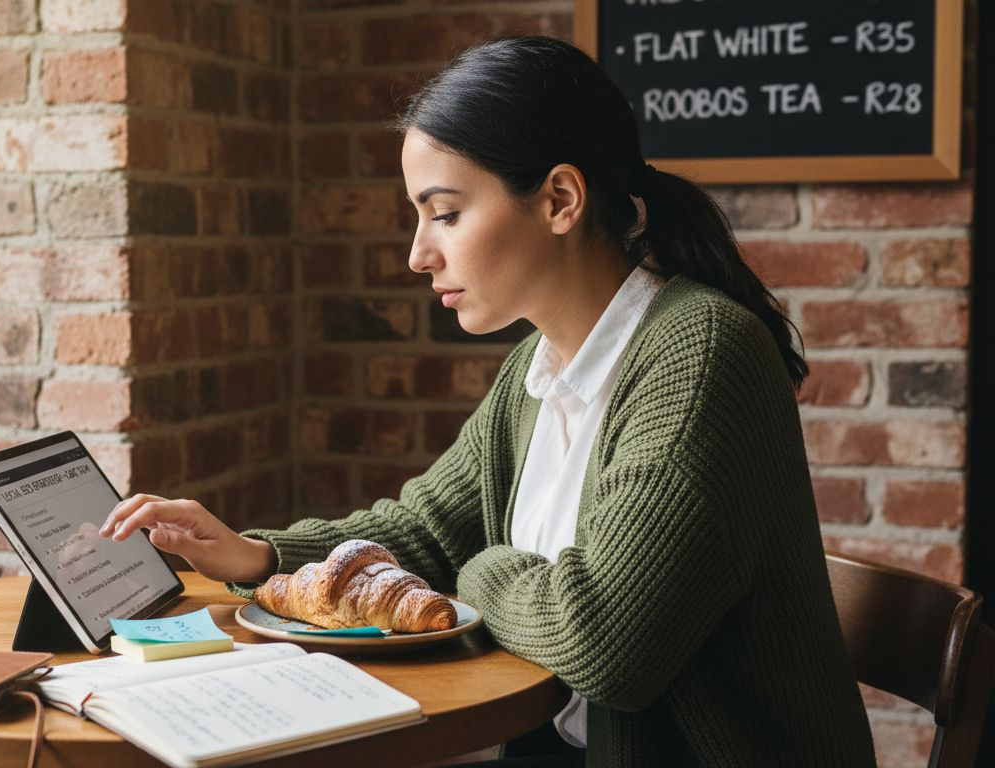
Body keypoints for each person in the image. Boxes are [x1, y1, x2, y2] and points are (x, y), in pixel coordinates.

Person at [98, 36, 876, 767]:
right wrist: (258, 556)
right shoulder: (538, 370)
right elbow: (425, 530)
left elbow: (603, 641)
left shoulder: (701, 354)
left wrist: (480, 572)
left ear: (561, 199)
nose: (417, 252)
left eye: (445, 213)